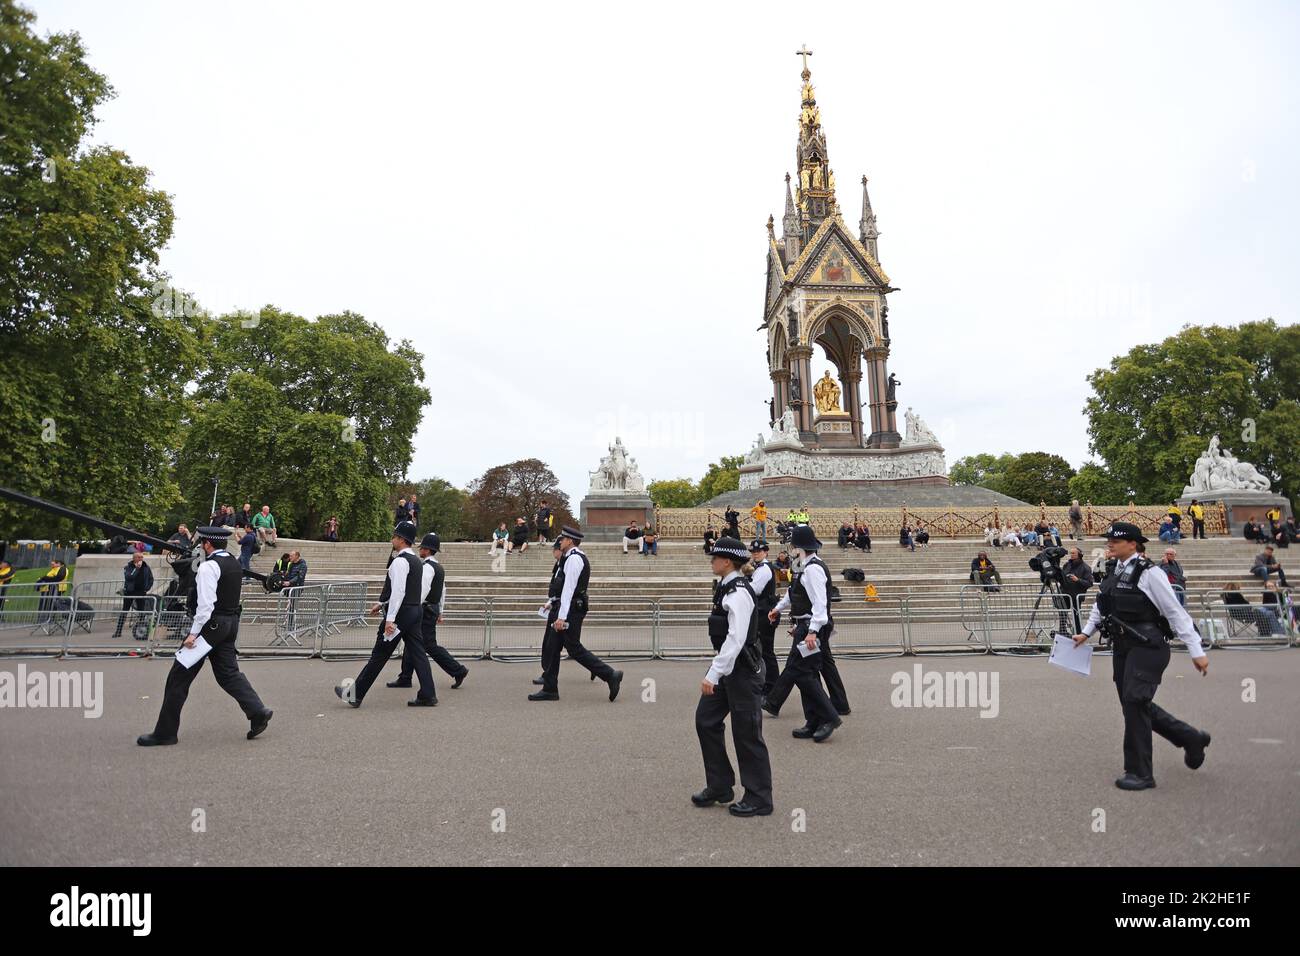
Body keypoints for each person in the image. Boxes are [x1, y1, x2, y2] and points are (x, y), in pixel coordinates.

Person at [1072, 522, 1210, 791]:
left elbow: (1175, 612)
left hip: (1148, 646)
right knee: (1134, 704)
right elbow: (1101, 607)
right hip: (1123, 646)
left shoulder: (1151, 573)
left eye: (1116, 540)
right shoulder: (1114, 571)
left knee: (1135, 702)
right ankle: (1191, 738)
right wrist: (1086, 633)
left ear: (1133, 544)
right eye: (1109, 539)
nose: (1110, 543)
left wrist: (1196, 650)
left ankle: (1140, 773)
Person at [138, 527, 273, 746]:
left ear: (207, 544)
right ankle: (257, 711)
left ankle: (165, 732)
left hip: (210, 626)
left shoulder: (209, 567)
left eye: (202, 544)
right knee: (228, 674)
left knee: (177, 679)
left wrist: (193, 634)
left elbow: (205, 605)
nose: (201, 547)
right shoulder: (233, 562)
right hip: (230, 624)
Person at [692, 537, 774, 817]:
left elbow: (736, 638)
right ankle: (720, 785)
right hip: (729, 667)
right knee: (706, 720)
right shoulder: (727, 587)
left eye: (714, 557)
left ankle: (759, 797)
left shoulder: (737, 591)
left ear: (727, 561)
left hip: (740, 670)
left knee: (747, 733)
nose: (711, 561)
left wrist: (713, 674)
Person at [335, 521, 437, 708]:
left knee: (379, 654)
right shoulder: (416, 561)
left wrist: (389, 619)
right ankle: (428, 694)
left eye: (394, 536)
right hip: (415, 611)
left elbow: (398, 591)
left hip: (401, 614)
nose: (392, 539)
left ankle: (354, 695)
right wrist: (381, 603)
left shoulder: (400, 561)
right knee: (418, 653)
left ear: (401, 539)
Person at [761, 525, 845, 741]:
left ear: (799, 547)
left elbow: (820, 603)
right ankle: (813, 719)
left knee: (802, 672)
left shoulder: (814, 569)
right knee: (807, 673)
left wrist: (813, 631)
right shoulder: (802, 567)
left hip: (811, 628)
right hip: (803, 626)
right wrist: (778, 609)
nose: (791, 549)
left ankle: (829, 716)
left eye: (793, 546)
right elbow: (793, 595)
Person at [528, 527, 623, 702]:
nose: (560, 542)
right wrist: (551, 603)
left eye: (562, 539)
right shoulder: (570, 558)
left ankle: (610, 675)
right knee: (553, 647)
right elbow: (562, 587)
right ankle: (550, 688)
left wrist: (561, 616)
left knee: (573, 648)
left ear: (570, 541)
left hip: (570, 610)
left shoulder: (574, 560)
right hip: (567, 607)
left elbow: (568, 589)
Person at [388, 532, 469, 693]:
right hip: (433, 608)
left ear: (427, 550)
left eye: (422, 548)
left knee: (427, 645)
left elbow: (422, 591)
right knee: (413, 643)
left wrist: (413, 608)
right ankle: (405, 676)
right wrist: (441, 610)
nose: (420, 550)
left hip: (424, 609)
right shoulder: (439, 568)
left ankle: (457, 670)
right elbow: (443, 591)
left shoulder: (427, 568)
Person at [747, 540, 781, 697]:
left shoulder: (764, 569)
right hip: (762, 612)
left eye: (758, 551)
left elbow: (755, 589)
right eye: (753, 552)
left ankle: (772, 686)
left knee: (767, 651)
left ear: (766, 552)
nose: (755, 553)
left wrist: (742, 582)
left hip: (764, 614)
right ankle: (769, 685)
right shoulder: (760, 568)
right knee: (763, 651)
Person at [112, 550, 154, 640]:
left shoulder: (146, 567)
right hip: (130, 592)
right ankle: (118, 631)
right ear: (134, 558)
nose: (141, 559)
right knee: (124, 611)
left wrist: (147, 587)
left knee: (141, 611)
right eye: (139, 557)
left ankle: (142, 631)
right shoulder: (128, 567)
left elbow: (151, 578)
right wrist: (137, 569)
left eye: (142, 557)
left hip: (141, 591)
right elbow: (129, 577)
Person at [1059, 547, 1093, 632]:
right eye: (1071, 553)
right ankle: (1062, 631)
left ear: (1080, 555)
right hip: (1065, 594)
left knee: (1076, 615)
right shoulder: (1066, 565)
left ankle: (1078, 631)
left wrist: (1077, 580)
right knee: (1062, 614)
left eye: (1073, 553)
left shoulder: (1086, 567)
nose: (1071, 555)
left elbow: (1089, 583)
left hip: (1076, 596)